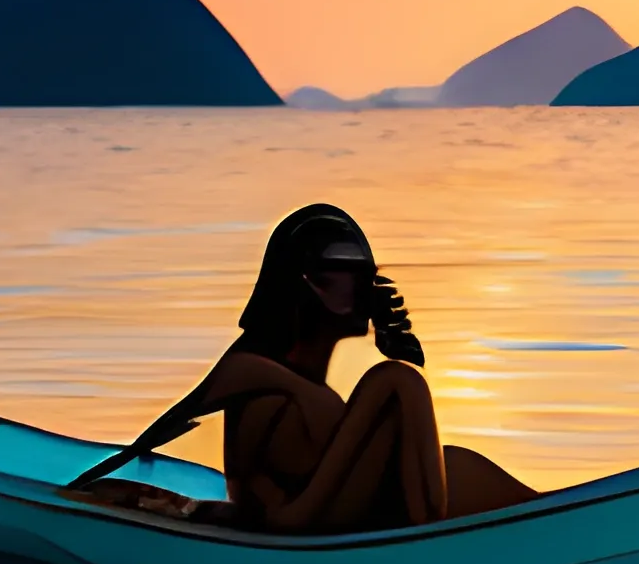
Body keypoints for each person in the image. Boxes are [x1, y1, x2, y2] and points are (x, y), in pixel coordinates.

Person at [79, 205, 537, 532]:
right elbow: (181, 416)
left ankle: (549, 514)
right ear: (308, 282)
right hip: (292, 521)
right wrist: (94, 488)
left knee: (450, 462)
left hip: (323, 503)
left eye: (368, 272)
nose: (368, 285)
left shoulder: (306, 376)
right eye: (348, 270)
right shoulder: (256, 365)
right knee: (398, 380)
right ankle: (432, 540)